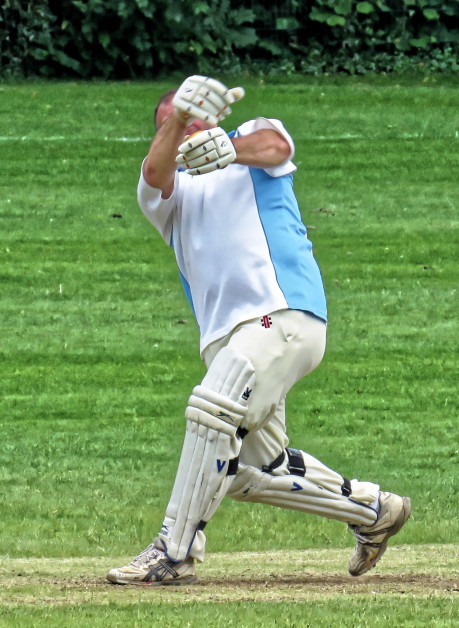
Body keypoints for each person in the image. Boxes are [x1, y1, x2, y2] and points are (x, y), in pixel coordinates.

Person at [107, 76, 411, 585]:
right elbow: (156, 168)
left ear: (219, 124)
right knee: (256, 468)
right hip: (231, 340)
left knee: (211, 410)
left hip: (281, 313)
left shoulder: (252, 140)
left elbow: (277, 146)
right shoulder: (166, 194)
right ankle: (373, 511)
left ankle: (173, 551)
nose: (186, 135)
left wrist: (226, 145)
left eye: (197, 122)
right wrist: (178, 118)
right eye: (173, 128)